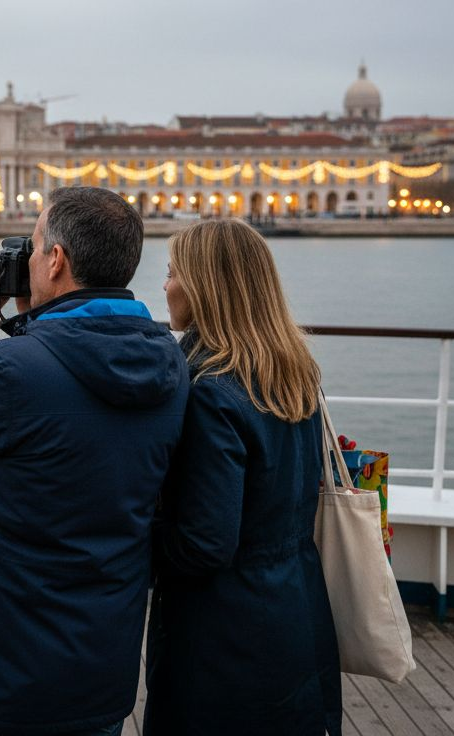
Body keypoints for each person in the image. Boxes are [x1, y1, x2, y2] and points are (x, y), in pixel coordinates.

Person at [0, 187, 188, 736]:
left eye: (34, 247)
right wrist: (36, 321)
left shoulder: (14, 370)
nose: (24, 261)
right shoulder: (169, 361)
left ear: (56, 260)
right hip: (98, 665)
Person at [144, 219, 341, 736]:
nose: (164, 286)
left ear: (205, 284)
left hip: (223, 631)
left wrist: (133, 539)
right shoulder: (293, 370)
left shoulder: (210, 390)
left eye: (171, 273)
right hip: (294, 602)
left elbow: (207, 542)